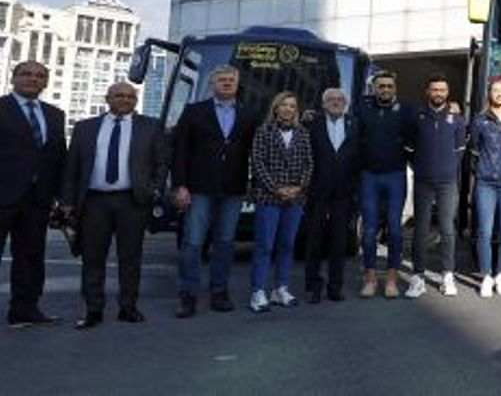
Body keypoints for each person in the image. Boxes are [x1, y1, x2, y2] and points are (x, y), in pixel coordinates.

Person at [62, 82, 168, 329]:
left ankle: (128, 307)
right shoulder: (85, 128)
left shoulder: (151, 126)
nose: (125, 99)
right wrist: (67, 201)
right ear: (107, 98)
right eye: (119, 95)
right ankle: (93, 309)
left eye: (131, 96)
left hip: (133, 201)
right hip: (94, 202)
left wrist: (155, 189)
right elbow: (72, 166)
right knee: (92, 258)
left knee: (130, 257)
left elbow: (162, 162)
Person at [171, 64, 259, 318]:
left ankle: (219, 292)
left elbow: (256, 152)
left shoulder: (249, 114)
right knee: (193, 242)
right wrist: (180, 186)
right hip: (199, 188)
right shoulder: (194, 111)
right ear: (212, 84)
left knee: (225, 243)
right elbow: (180, 151)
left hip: (233, 189)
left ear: (237, 84)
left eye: (232, 79)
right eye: (222, 79)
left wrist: (254, 184)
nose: (227, 83)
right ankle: (188, 295)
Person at [1, 61, 67, 327]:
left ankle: (24, 309)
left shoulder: (55, 115)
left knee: (30, 256)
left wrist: (62, 196)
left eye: (40, 75)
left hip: (38, 199)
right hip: (2, 195)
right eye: (26, 74)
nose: (33, 79)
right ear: (13, 78)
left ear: (46, 82)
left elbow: (59, 156)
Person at [248, 92, 313, 313]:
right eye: (284, 105)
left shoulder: (303, 133)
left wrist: (298, 188)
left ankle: (280, 288)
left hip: (295, 199)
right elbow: (257, 163)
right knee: (265, 245)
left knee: (287, 245)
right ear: (276, 108)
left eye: (292, 106)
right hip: (269, 197)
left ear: (296, 110)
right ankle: (258, 291)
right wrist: (276, 189)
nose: (288, 109)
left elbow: (309, 164)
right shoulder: (263, 131)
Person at [406, 74, 467, 299]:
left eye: (442, 90)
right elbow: (409, 151)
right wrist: (423, 168)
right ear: (427, 92)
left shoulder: (457, 118)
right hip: (423, 181)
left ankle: (447, 275)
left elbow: (459, 152)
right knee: (420, 229)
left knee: (447, 229)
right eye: (434, 89)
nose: (438, 93)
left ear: (447, 93)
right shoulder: (417, 117)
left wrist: (446, 168)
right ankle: (418, 277)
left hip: (447, 182)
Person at [355, 70, 415, 299]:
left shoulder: (407, 110)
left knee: (395, 230)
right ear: (374, 88)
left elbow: (418, 134)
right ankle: (370, 279)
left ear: (395, 88)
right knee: (369, 230)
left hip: (395, 176)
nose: (386, 90)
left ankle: (391, 280)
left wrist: (453, 110)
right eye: (381, 86)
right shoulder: (362, 108)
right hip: (369, 176)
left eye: (390, 86)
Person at [303, 88, 360, 303]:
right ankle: (313, 286)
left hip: (344, 191)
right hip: (317, 190)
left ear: (345, 104)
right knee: (314, 240)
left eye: (340, 100)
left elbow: (359, 157)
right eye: (331, 100)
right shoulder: (312, 124)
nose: (336, 102)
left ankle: (335, 287)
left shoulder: (355, 124)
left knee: (339, 241)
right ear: (323, 104)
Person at [471, 79, 501, 298]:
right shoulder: (479, 120)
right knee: (485, 231)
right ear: (489, 94)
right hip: (486, 184)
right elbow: (473, 151)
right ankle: (486, 276)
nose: (499, 94)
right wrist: (482, 171)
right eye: (495, 90)